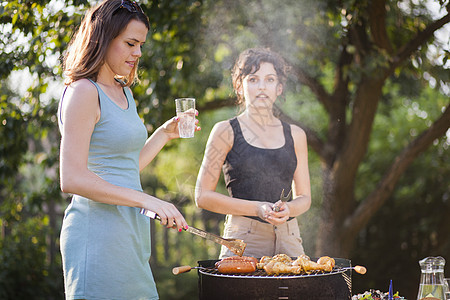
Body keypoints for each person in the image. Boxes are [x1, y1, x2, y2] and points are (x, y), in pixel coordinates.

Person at [58, 0, 199, 299]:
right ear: (103, 38)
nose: (138, 53)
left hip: (129, 234)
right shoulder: (84, 91)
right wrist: (146, 199)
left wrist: (163, 134)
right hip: (96, 234)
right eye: (130, 43)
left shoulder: (125, 93)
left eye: (141, 45)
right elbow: (71, 177)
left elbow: (122, 167)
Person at [195, 47, 311, 259]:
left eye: (269, 79)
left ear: (279, 88)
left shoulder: (296, 135)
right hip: (243, 238)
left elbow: (304, 197)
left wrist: (290, 210)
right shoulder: (225, 132)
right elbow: (202, 196)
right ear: (239, 87)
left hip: (289, 235)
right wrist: (257, 208)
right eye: (253, 79)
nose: (262, 88)